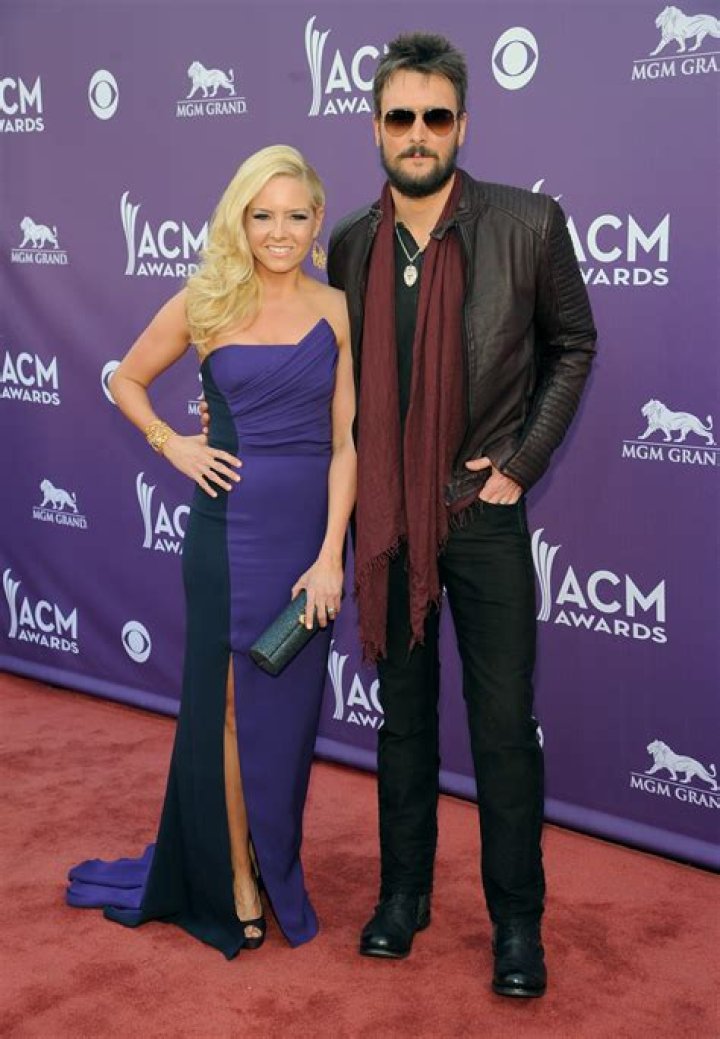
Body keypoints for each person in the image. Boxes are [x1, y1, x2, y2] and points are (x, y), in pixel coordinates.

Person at [325, 34, 596, 997]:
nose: (418, 133)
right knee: (402, 723)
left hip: (479, 516)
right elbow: (332, 380)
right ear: (376, 127)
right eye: (400, 116)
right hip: (389, 518)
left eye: (435, 116)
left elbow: (574, 344)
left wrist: (520, 463)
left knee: (501, 728)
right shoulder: (350, 243)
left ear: (462, 125)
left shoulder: (527, 223)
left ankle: (517, 924)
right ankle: (403, 896)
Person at [66, 145, 356, 958]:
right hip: (225, 536)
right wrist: (174, 443)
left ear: (317, 221)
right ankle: (236, 876)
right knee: (227, 706)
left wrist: (331, 553)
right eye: (262, 215)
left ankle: (273, 854)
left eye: (295, 215)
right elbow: (125, 378)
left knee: (288, 714)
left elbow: (348, 443)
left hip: (307, 541)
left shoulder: (339, 310)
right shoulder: (206, 299)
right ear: (239, 219)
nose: (279, 231)